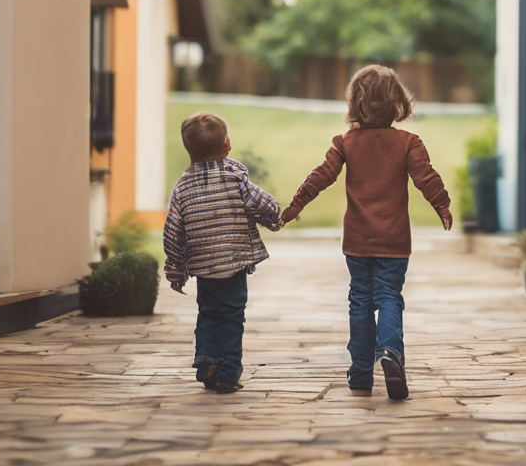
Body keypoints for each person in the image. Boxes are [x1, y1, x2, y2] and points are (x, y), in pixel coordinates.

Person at [281, 65, 452, 400]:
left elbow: (322, 175)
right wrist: (442, 205)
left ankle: (361, 372)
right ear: (397, 104)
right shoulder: (408, 142)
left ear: (355, 104)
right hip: (394, 240)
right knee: (389, 297)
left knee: (360, 301)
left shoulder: (346, 143)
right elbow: (425, 177)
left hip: (357, 242)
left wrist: (296, 204)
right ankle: (390, 353)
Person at [163, 112, 283, 394]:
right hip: (233, 262)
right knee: (231, 316)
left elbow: (172, 230)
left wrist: (175, 267)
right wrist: (275, 215)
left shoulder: (182, 187)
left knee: (208, 312)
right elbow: (260, 203)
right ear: (227, 145)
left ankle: (206, 359)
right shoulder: (235, 174)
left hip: (204, 266)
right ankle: (227, 372)